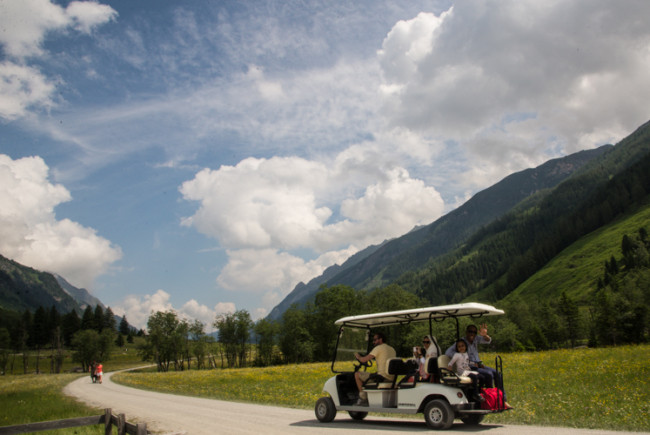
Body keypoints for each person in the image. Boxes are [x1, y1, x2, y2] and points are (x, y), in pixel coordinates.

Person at [445, 324, 499, 389]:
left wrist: (485, 335)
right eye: (470, 331)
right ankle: (489, 394)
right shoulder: (462, 342)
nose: (472, 334)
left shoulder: (475, 339)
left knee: (497, 373)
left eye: (474, 332)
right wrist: (461, 356)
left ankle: (500, 395)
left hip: (479, 365)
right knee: (489, 374)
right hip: (470, 367)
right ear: (466, 332)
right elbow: (448, 352)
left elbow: (488, 341)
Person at [353, 332, 396, 405]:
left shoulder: (378, 348)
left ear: (380, 339)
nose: (373, 342)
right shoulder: (392, 349)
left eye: (375, 340)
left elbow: (364, 359)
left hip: (382, 377)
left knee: (357, 375)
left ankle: (363, 398)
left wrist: (358, 357)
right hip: (391, 378)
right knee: (372, 374)